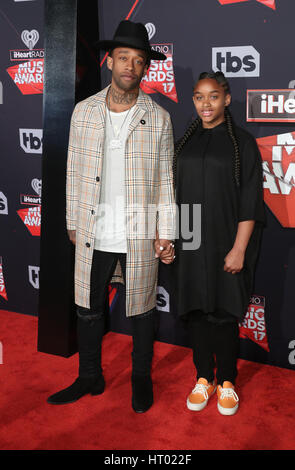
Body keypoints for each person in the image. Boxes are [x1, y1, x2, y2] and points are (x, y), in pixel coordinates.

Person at [47, 20, 175, 413]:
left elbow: (167, 180)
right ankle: (90, 376)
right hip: (93, 229)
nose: (130, 67)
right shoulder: (83, 112)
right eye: (124, 58)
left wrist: (166, 231)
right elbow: (72, 170)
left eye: (138, 61)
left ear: (145, 68)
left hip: (138, 231)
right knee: (88, 308)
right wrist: (71, 220)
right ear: (110, 60)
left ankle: (140, 377)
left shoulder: (159, 118)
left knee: (142, 311)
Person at [173, 71, 264, 415]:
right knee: (196, 310)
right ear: (193, 100)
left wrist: (239, 248)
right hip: (190, 239)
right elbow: (172, 194)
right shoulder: (184, 142)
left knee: (224, 313)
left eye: (213, 96)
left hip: (228, 239)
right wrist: (167, 237)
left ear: (227, 99)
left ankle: (227, 381)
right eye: (199, 96)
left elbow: (250, 200)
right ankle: (202, 377)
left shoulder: (243, 143)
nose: (206, 103)